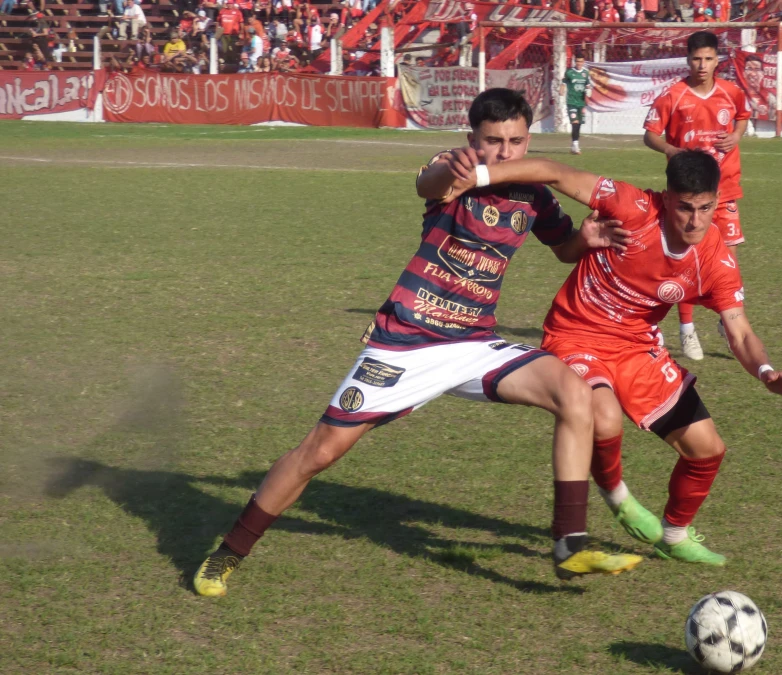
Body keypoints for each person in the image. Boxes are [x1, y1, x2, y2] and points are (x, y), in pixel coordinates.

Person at [191, 88, 642, 598]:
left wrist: (587, 240)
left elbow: (562, 248)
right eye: (493, 141)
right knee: (319, 453)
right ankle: (227, 553)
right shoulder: (453, 169)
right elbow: (428, 182)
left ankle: (569, 544)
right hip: (405, 343)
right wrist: (453, 170)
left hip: (474, 344)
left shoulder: (533, 193)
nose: (504, 152)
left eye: (515, 141)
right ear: (472, 138)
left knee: (575, 393)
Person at [438, 149, 782, 566]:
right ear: (666, 198)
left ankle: (674, 536)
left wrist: (766, 371)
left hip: (638, 348)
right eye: (684, 207)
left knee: (707, 449)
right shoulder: (632, 207)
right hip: (577, 335)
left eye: (705, 208)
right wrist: (477, 176)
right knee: (604, 417)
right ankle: (619, 498)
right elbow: (553, 171)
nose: (695, 220)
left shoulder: (715, 256)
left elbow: (740, 330)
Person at [644, 30, 750, 361]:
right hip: (688, 194)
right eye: (695, 59)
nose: (701, 65)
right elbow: (649, 135)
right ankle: (687, 330)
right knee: (687, 259)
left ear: (717, 60)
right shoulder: (673, 95)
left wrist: (735, 135)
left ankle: (725, 319)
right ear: (687, 60)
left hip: (724, 188)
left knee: (726, 261)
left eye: (707, 58)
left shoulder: (731, 92)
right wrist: (670, 149)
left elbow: (744, 116)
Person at [560, 53, 591, 155]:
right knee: (575, 122)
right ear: (575, 61)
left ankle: (574, 145)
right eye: (577, 61)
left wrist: (589, 90)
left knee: (579, 124)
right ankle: (576, 146)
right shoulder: (569, 72)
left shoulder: (585, 73)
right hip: (571, 102)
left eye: (581, 61)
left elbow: (588, 85)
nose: (579, 63)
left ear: (583, 62)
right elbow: (564, 83)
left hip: (581, 103)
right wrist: (562, 90)